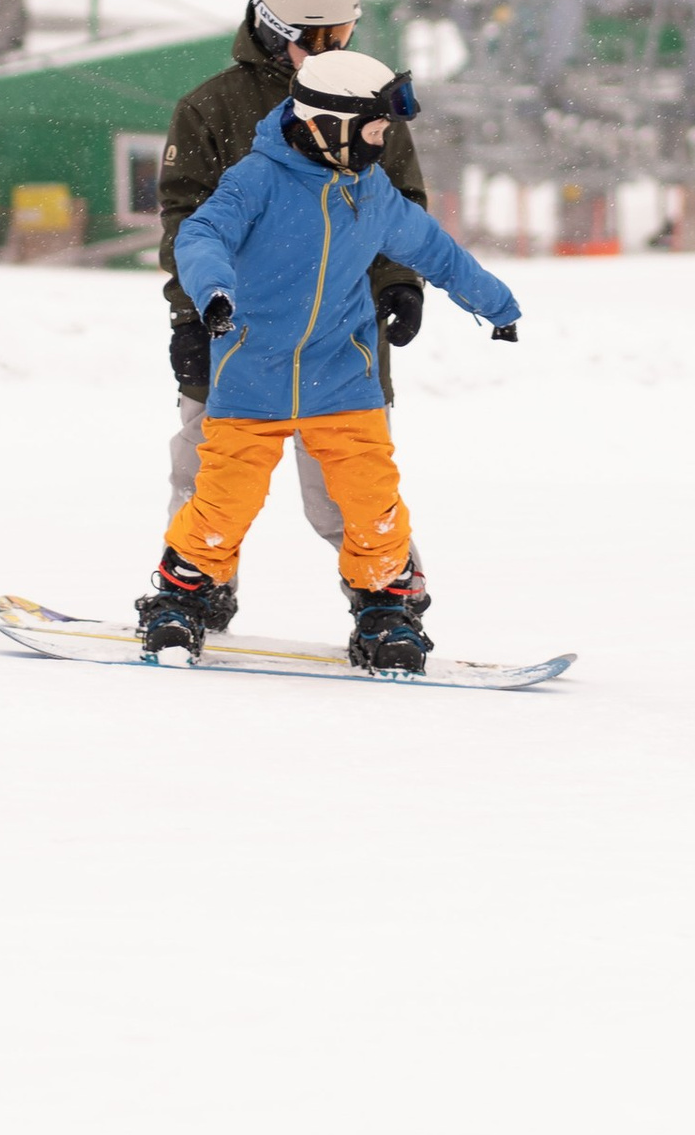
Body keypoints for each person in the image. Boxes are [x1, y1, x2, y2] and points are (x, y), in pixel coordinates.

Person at [139, 48, 521, 674]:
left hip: (341, 376)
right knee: (223, 500)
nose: (382, 142)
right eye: (373, 131)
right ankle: (182, 597)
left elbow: (436, 250)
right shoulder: (256, 180)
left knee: (370, 501)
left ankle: (385, 607)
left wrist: (496, 305)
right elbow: (201, 234)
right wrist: (212, 291)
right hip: (251, 372)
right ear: (329, 126)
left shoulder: (371, 192)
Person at [159, 0, 434, 604]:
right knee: (207, 478)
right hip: (236, 333)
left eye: (342, 35)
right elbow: (186, 223)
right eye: (315, 39)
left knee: (349, 488)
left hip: (341, 335)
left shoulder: (368, 101)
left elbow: (399, 206)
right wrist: (190, 316)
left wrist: (399, 280)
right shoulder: (212, 110)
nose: (330, 50)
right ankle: (198, 586)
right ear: (270, 28)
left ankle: (388, 596)